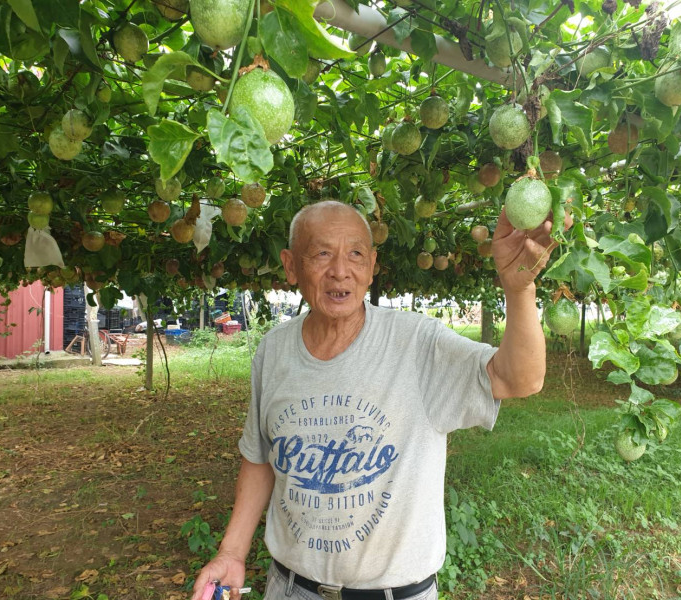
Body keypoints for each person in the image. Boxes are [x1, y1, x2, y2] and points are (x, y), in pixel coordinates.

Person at [191, 200, 567, 600]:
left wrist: (520, 288)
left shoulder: (416, 342)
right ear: (290, 266)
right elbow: (261, 458)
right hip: (290, 588)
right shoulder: (274, 351)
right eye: (321, 253)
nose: (340, 270)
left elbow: (519, 379)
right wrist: (231, 552)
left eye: (355, 254)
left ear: (371, 265)